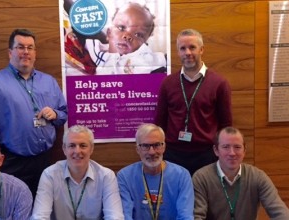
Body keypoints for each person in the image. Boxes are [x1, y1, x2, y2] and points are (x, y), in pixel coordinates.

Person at [0, 28, 68, 197]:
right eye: (20, 47)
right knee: (14, 207)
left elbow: (63, 115)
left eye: (30, 47)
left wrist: (55, 114)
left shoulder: (49, 82)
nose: (26, 52)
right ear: (10, 52)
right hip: (11, 162)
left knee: (42, 207)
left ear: (35, 53)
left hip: (44, 160)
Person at [154, 28, 232, 175]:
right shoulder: (168, 83)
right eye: (182, 48)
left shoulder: (219, 83)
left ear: (201, 50)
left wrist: (221, 152)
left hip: (206, 155)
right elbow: (160, 122)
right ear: (178, 52)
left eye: (192, 47)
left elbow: (226, 125)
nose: (187, 53)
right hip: (173, 154)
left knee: (203, 197)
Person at [192, 126, 289, 220]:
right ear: (216, 150)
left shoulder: (257, 177)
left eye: (237, 147)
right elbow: (196, 216)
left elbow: (280, 212)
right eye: (226, 147)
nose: (232, 153)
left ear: (244, 151)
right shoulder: (201, 178)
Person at [31, 125, 124, 220]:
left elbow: (115, 216)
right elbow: (39, 216)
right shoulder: (49, 175)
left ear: (91, 149)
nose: (77, 151)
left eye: (83, 146)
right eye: (72, 146)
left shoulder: (106, 176)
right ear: (64, 149)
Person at [117, 123, 194, 220]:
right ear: (137, 149)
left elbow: (185, 216)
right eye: (145, 146)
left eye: (157, 145)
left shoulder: (182, 176)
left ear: (164, 147)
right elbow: (125, 216)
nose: (152, 152)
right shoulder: (125, 176)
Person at [66, 2, 167, 75]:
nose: (127, 36)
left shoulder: (146, 58)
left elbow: (164, 60)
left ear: (145, 43)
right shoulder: (94, 52)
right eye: (121, 28)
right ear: (109, 33)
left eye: (138, 35)